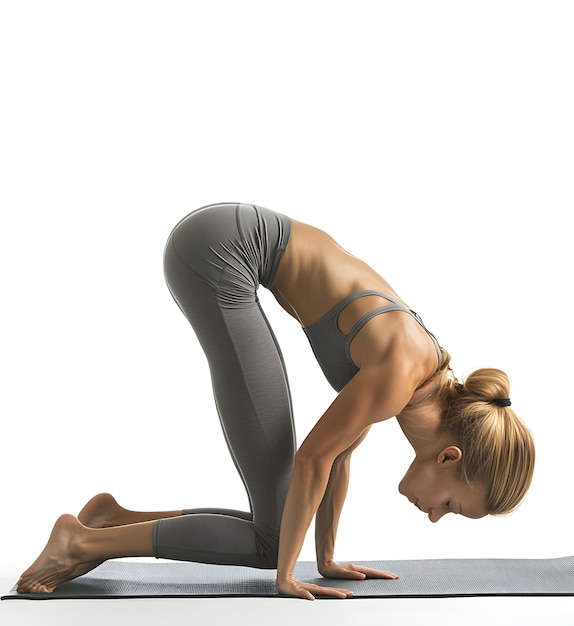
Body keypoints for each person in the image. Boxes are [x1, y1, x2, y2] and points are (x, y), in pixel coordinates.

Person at [17, 203, 535, 600]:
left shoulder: (419, 385)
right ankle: (78, 543)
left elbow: (339, 455)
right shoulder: (404, 373)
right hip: (220, 255)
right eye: (450, 506)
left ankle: (111, 520)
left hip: (221, 244)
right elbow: (313, 457)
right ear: (450, 457)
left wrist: (325, 558)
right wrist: (287, 572)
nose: (434, 516)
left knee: (278, 522)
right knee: (271, 543)